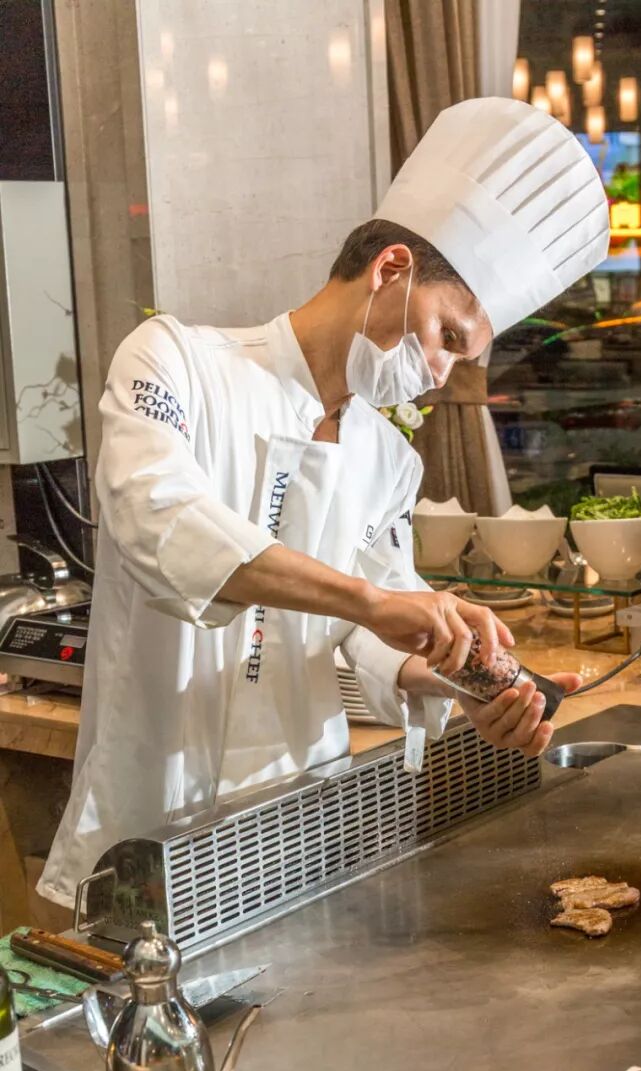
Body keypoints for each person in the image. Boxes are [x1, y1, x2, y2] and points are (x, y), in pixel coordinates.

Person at [41, 99, 609, 906]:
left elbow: (367, 640)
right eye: (447, 336)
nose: (441, 374)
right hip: (147, 825)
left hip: (300, 834)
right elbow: (158, 520)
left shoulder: (387, 459)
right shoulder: (175, 364)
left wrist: (465, 679)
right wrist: (371, 600)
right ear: (390, 270)